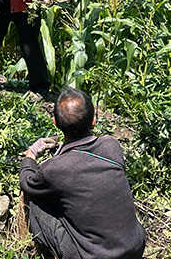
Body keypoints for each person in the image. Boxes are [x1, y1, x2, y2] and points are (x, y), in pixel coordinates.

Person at [19, 87, 146, 259]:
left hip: (94, 256)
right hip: (135, 247)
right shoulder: (112, 146)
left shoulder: (54, 169)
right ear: (93, 121)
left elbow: (27, 182)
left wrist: (31, 155)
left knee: (35, 201)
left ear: (55, 122)